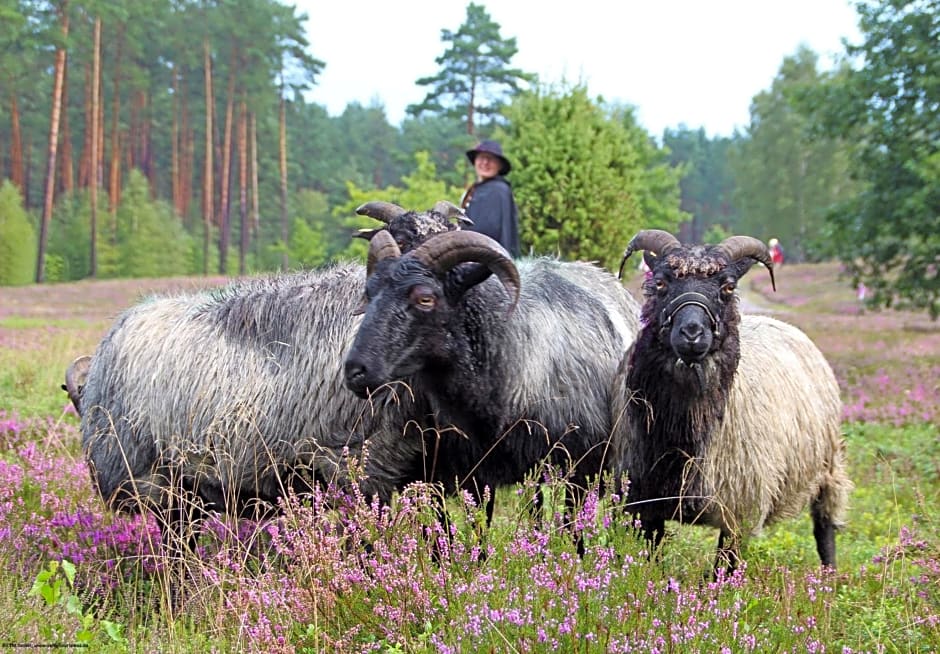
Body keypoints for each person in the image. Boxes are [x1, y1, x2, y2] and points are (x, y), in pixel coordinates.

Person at [460, 140, 521, 256]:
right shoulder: (475, 190)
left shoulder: (499, 190)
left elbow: (489, 230)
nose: (485, 163)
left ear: (500, 165)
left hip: (487, 259)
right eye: (481, 158)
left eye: (490, 159)